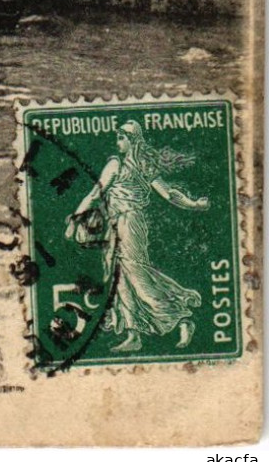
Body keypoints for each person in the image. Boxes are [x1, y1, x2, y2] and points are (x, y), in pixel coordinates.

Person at [67, 121, 209, 352]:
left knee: (136, 274)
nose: (117, 142)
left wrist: (193, 204)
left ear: (132, 140)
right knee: (118, 279)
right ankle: (133, 335)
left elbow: (169, 193)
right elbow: (95, 193)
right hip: (114, 224)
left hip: (131, 223)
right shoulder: (115, 163)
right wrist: (76, 219)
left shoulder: (142, 164)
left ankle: (180, 318)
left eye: (121, 138)